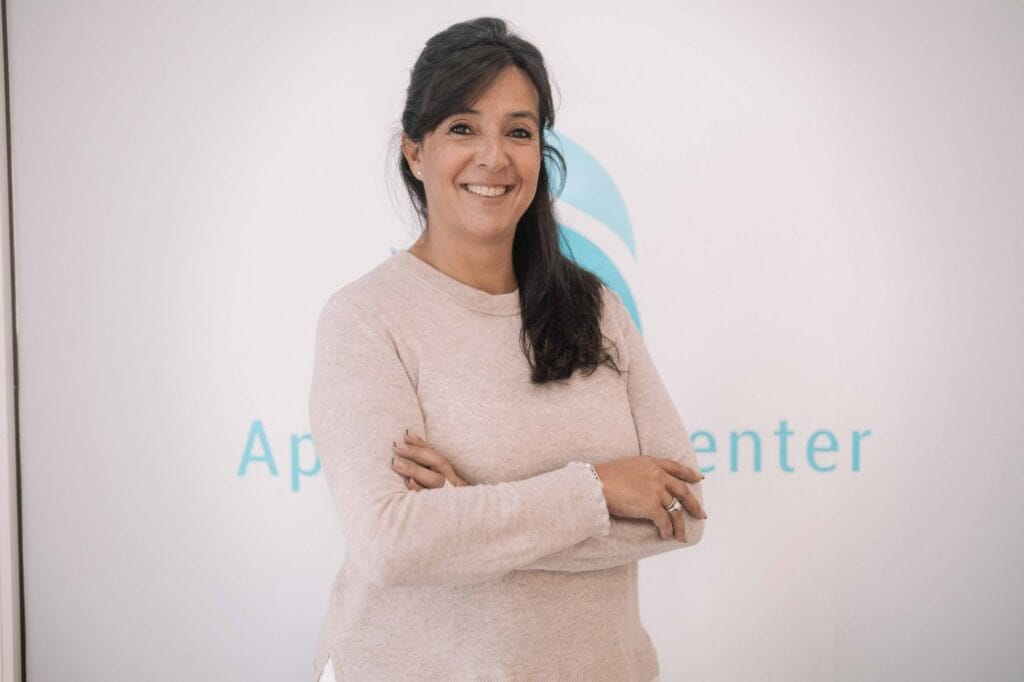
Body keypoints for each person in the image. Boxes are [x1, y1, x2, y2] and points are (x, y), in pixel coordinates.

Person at [309, 17, 707, 682]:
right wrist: (599, 489)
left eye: (518, 132)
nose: (494, 157)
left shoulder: (595, 308)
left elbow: (682, 512)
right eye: (463, 128)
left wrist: (471, 506)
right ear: (415, 151)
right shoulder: (365, 319)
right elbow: (392, 544)